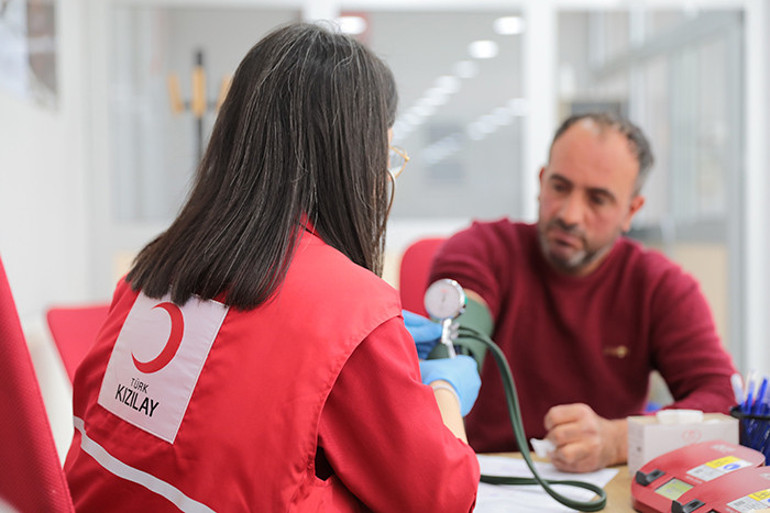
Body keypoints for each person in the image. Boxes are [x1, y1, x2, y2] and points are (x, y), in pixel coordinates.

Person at [64, 23, 480, 512]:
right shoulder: (351, 308)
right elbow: (443, 497)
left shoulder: (154, 269)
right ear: (353, 163)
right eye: (384, 158)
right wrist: (442, 388)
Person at [429, 111, 737, 473]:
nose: (570, 214)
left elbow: (722, 397)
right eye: (560, 187)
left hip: (602, 486)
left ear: (631, 211)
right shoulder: (479, 250)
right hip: (482, 478)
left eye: (598, 199)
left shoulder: (659, 287)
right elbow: (458, 343)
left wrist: (617, 440)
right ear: (541, 182)